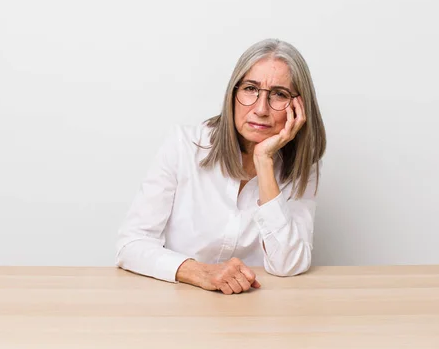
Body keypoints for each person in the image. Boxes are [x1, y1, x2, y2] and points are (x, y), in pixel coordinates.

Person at [115, 38, 326, 295]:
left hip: (256, 315)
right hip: (177, 308)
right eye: (250, 88)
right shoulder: (184, 146)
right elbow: (131, 245)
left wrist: (264, 161)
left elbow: (289, 264)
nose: (260, 109)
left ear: (298, 108)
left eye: (279, 94)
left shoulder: (303, 168)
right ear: (233, 94)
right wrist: (200, 272)